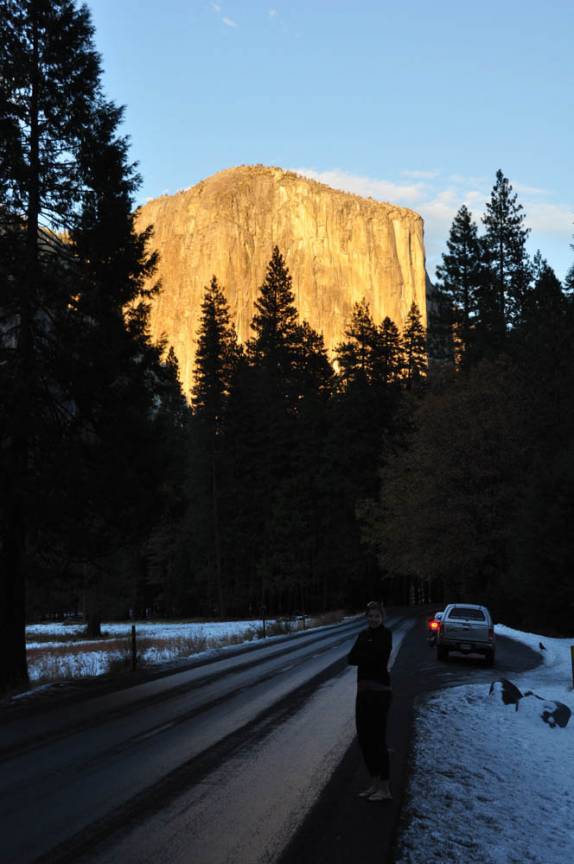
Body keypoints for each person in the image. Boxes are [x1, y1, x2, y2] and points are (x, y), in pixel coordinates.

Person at [348, 600, 393, 801]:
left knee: (378, 740)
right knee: (365, 739)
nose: (373, 619)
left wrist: (364, 654)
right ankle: (374, 784)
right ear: (366, 617)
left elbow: (380, 659)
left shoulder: (386, 634)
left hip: (380, 693)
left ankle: (385, 788)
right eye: (370, 616)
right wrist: (368, 654)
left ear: (382, 617)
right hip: (363, 692)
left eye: (377, 616)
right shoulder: (363, 635)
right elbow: (351, 658)